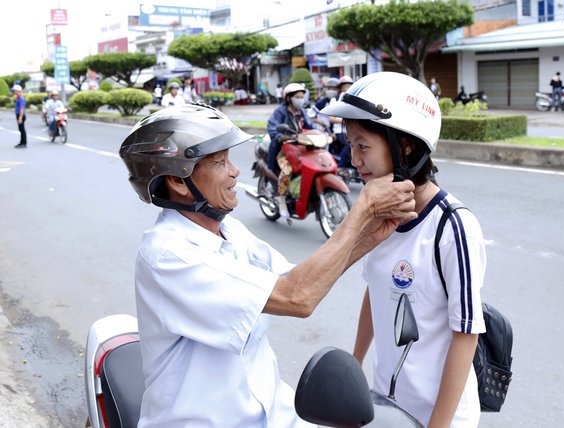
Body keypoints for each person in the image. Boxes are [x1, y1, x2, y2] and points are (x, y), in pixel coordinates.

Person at [118, 103, 418, 427]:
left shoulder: (228, 231)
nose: (235, 171)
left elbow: (297, 278)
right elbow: (297, 297)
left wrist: (369, 237)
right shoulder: (170, 255)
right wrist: (362, 210)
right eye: (220, 162)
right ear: (178, 181)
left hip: (275, 415)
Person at [322, 72, 486, 428]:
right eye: (351, 145)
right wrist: (355, 363)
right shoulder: (379, 216)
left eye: (363, 146)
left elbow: (466, 333)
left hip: (439, 416)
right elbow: (375, 290)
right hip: (385, 406)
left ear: (405, 146)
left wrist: (438, 426)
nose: (354, 159)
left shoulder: (453, 227)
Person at [266, 83, 315, 218]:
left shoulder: (302, 112)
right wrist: (280, 136)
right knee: (287, 171)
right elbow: (272, 127)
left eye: (302, 97)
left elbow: (311, 126)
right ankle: (282, 200)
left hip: (300, 148)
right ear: (288, 98)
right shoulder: (280, 112)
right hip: (284, 150)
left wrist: (323, 134)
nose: (300, 99)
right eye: (297, 97)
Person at [327, 75, 354, 168]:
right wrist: (344, 120)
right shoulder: (334, 100)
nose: (347, 88)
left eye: (349, 85)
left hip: (351, 130)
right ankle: (340, 167)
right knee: (350, 144)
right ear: (340, 87)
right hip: (339, 131)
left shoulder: (354, 100)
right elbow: (331, 118)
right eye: (344, 85)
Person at [12, 85, 27, 149]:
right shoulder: (18, 98)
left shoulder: (21, 98)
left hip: (21, 115)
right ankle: (21, 142)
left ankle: (24, 143)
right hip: (18, 115)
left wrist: (20, 118)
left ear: (18, 91)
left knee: (22, 130)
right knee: (20, 130)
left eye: (15, 91)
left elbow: (21, 109)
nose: (14, 92)